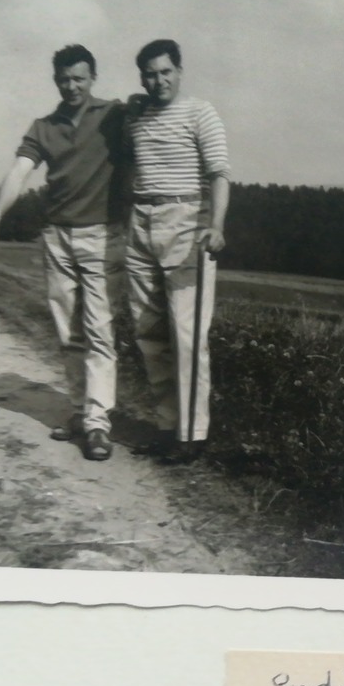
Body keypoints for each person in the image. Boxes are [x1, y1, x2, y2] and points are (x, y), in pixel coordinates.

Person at [0, 45, 130, 461]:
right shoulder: (43, 127)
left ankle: (99, 424)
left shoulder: (115, 115)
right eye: (64, 79)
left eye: (79, 78)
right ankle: (80, 411)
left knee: (99, 330)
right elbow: (20, 172)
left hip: (103, 236)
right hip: (58, 238)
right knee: (68, 332)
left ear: (93, 77)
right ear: (56, 80)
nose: (72, 86)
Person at [123, 38, 231, 462]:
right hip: (140, 225)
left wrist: (216, 225)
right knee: (148, 333)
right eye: (150, 74)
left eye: (166, 71)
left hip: (185, 225)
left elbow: (220, 173)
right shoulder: (136, 117)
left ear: (180, 71)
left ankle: (193, 435)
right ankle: (168, 428)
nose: (159, 80)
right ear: (142, 77)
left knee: (187, 336)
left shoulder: (201, 112)